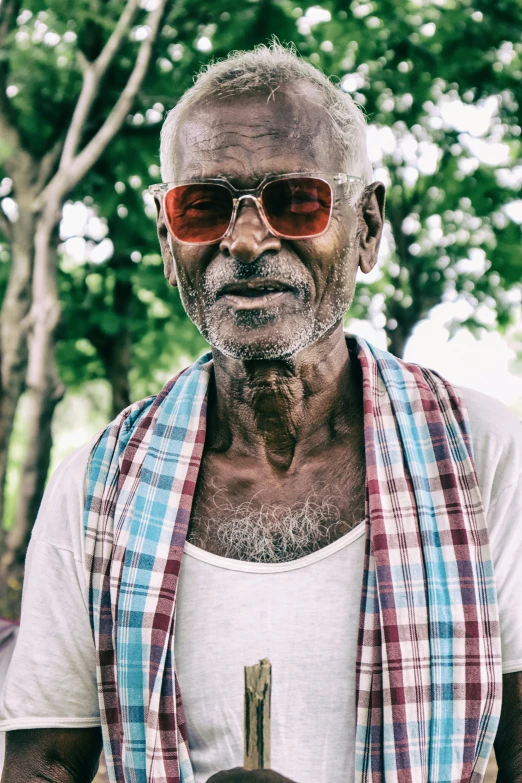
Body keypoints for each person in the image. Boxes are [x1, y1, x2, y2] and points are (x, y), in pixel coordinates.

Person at [1, 43, 521, 783]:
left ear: (368, 226)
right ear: (165, 234)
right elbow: (43, 765)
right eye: (204, 206)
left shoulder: (483, 456)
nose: (244, 241)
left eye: (297, 200)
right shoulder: (98, 488)